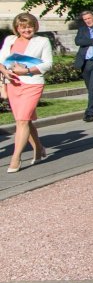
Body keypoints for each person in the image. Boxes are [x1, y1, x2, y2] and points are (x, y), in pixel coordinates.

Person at [2, 13, 54, 172]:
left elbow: (48, 64)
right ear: (17, 28)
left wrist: (26, 70)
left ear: (35, 26)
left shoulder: (42, 41)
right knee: (24, 120)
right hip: (13, 84)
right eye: (23, 27)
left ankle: (15, 158)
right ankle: (39, 149)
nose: (26, 30)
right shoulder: (10, 40)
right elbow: (1, 60)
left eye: (29, 26)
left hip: (32, 84)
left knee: (22, 121)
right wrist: (4, 72)